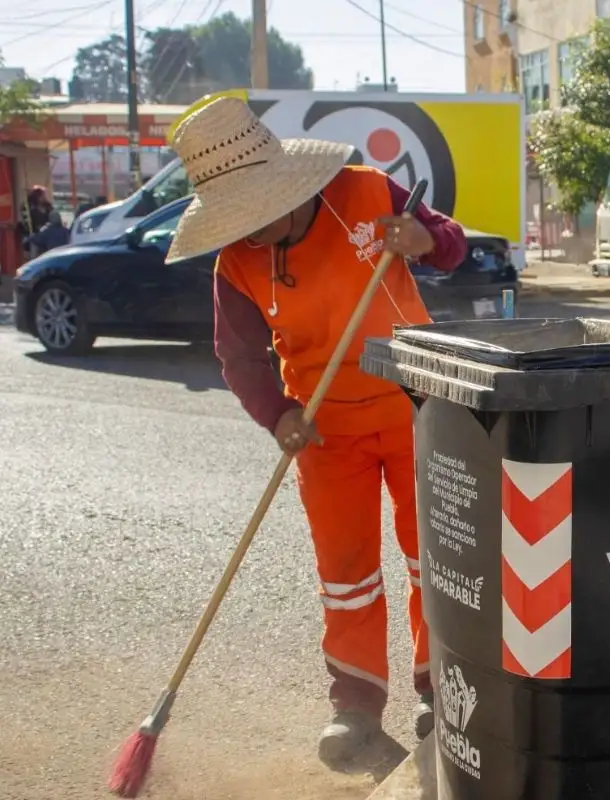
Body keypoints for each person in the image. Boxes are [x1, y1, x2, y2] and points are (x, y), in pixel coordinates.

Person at [163, 96, 467, 766]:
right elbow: (239, 357)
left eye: (255, 212)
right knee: (346, 573)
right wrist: (278, 415)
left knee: (434, 558)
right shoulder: (236, 264)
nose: (249, 232)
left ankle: (440, 691)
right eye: (235, 219)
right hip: (325, 429)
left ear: (286, 187)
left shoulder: (364, 192)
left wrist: (423, 241)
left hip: (417, 408)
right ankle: (355, 709)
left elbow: (452, 243)